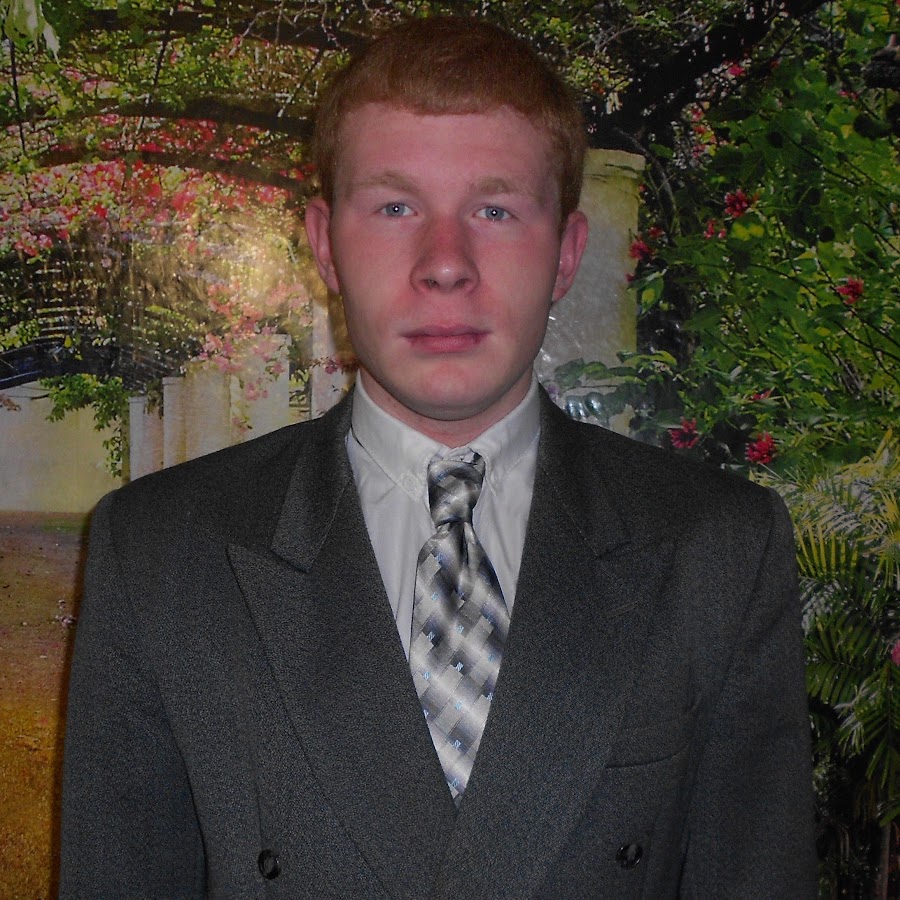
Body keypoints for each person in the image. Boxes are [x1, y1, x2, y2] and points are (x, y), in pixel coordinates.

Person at [59, 15, 817, 899]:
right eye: (395, 208)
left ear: (566, 252)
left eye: (495, 210)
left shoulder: (719, 550)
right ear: (323, 246)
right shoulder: (160, 555)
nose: (445, 265)